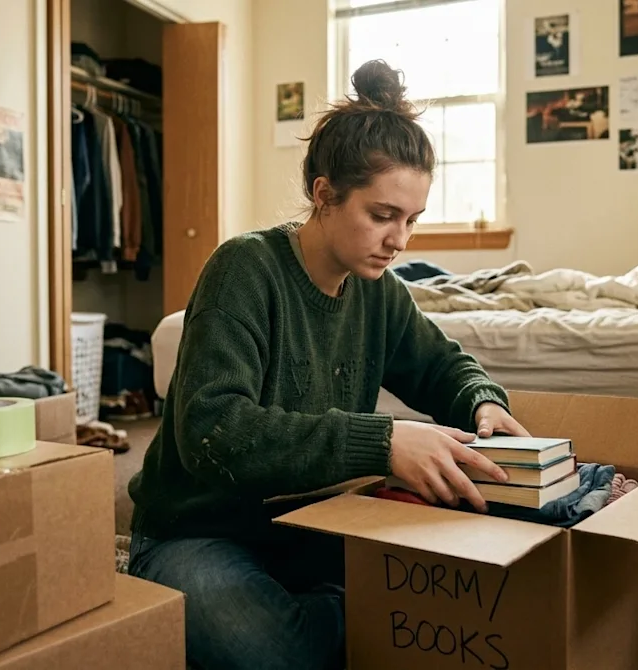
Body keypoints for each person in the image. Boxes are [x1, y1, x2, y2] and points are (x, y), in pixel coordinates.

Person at [125, 59, 530, 670]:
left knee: (486, 586)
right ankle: (352, 615)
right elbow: (214, 432)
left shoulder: (379, 289)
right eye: (382, 215)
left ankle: (348, 612)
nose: (399, 241)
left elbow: (441, 364)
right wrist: (384, 441)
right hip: (196, 532)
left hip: (309, 524)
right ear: (323, 194)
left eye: (411, 220)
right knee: (272, 650)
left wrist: (482, 400)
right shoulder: (244, 269)